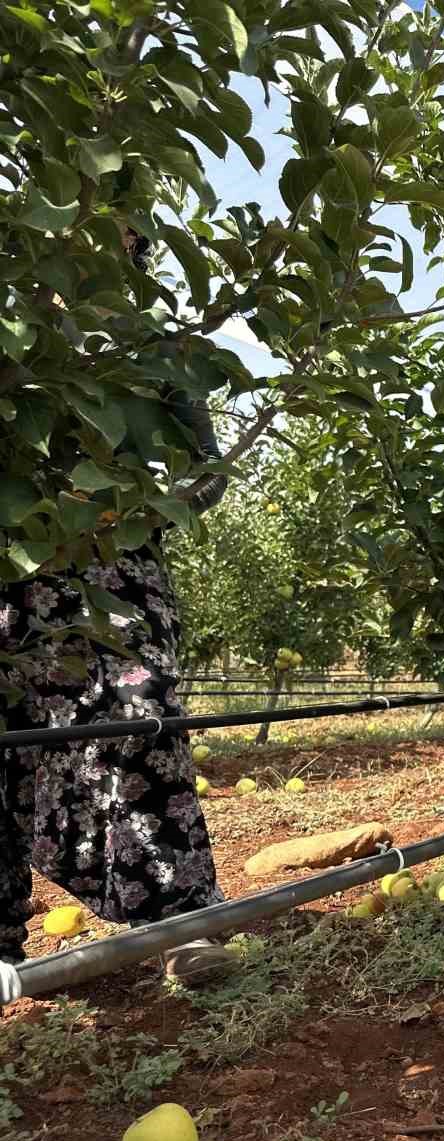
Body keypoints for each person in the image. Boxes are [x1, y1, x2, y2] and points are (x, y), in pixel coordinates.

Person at [0, 232, 236, 985]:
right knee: (7, 744)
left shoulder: (158, 350)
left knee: (144, 711)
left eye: (130, 235)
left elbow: (208, 470)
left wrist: (134, 514)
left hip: (117, 568)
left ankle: (181, 923)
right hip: (16, 567)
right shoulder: (18, 338)